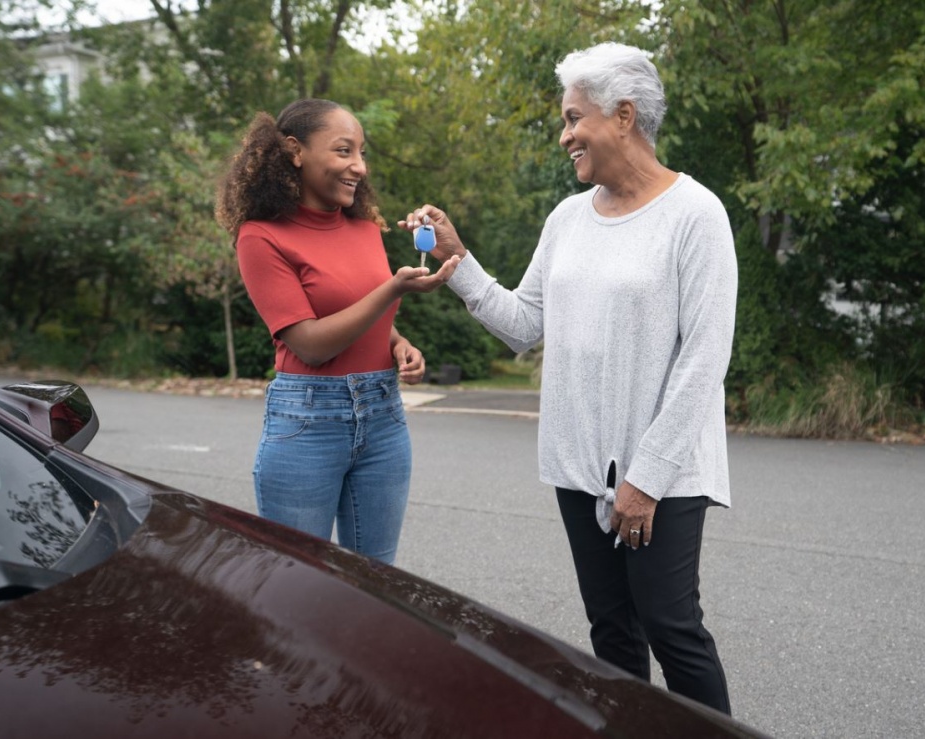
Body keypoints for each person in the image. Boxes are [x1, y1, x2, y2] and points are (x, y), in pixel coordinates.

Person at [401, 43, 737, 714]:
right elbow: (525, 323)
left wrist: (646, 479)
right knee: (611, 632)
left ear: (623, 115)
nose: (564, 135)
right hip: (578, 465)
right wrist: (458, 259)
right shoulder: (566, 219)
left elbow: (704, 358)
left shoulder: (695, 216)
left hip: (660, 472)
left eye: (573, 117)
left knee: (672, 628)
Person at [215, 98, 458, 565]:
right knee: (299, 581)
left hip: (384, 417)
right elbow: (308, 343)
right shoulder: (260, 236)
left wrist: (398, 344)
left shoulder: (365, 229)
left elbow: (358, 314)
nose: (359, 167)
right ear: (295, 150)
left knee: (377, 581)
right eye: (344, 151)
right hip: (308, 420)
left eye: (362, 153)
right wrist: (392, 290)